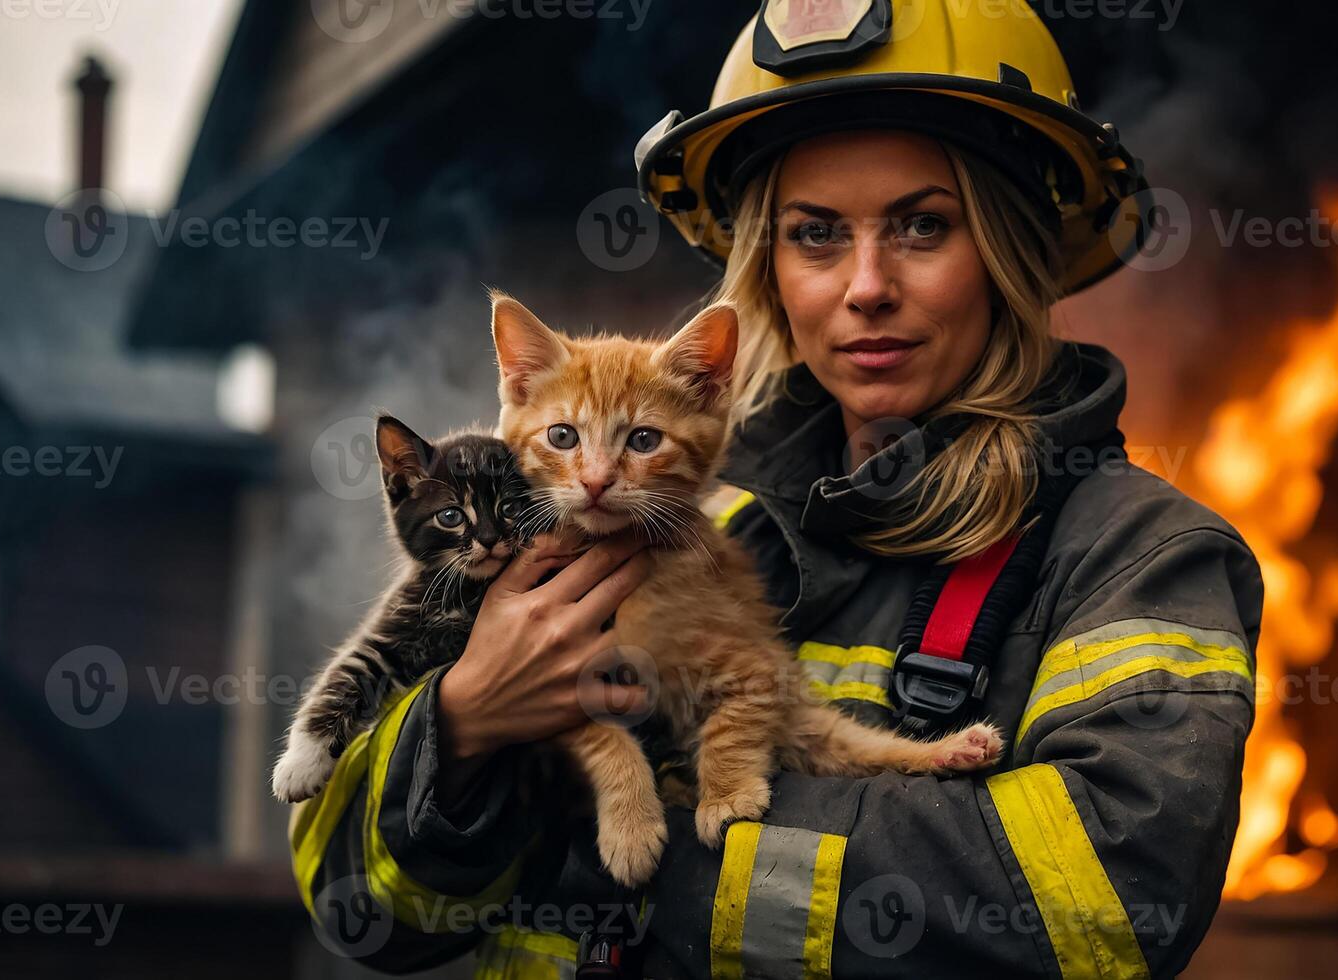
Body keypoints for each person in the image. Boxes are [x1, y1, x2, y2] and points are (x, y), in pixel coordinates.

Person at [289, 4, 1262, 978]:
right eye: (816, 234)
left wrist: (631, 841)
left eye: (923, 225)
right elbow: (357, 903)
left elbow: (1104, 899)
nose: (865, 285)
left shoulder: (1140, 553)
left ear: (1013, 250)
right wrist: (458, 722)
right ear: (768, 267)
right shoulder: (684, 518)